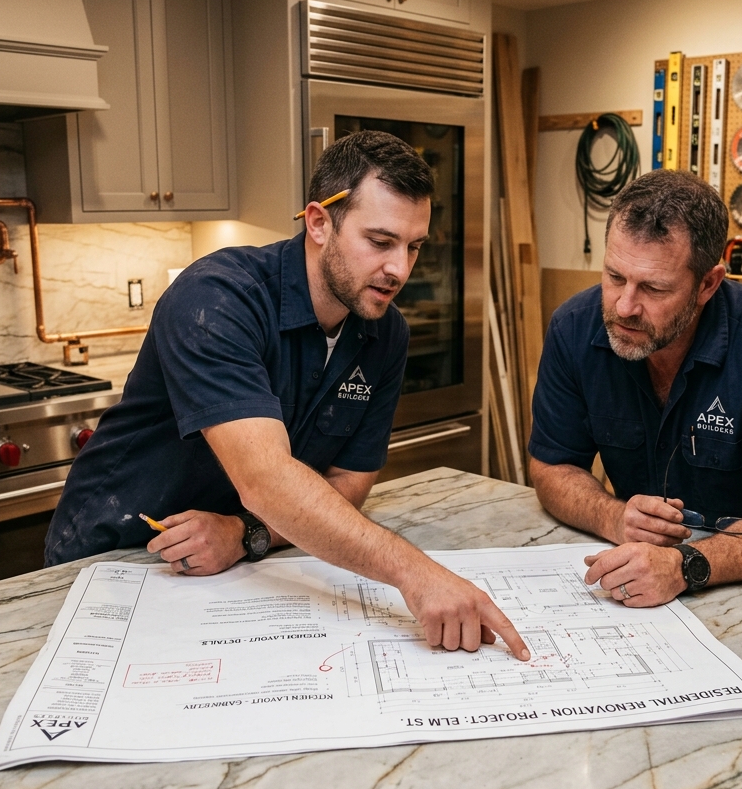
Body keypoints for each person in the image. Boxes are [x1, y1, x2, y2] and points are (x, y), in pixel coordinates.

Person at [46, 130, 529, 661]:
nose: (400, 270)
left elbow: (348, 482)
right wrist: (418, 575)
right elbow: (266, 478)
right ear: (320, 222)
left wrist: (244, 533)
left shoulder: (385, 333)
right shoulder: (217, 298)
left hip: (237, 569)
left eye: (413, 246)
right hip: (116, 560)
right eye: (381, 241)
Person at [528, 170, 742, 608]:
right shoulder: (574, 329)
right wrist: (614, 517)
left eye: (654, 288)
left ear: (707, 284)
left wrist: (683, 564)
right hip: (643, 577)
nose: (624, 307)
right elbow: (551, 467)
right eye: (615, 276)